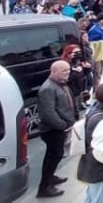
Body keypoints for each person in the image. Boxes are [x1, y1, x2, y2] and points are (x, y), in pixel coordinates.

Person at [36, 60, 77, 198]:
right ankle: (44, 187)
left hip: (60, 128)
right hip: (53, 131)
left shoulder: (60, 85)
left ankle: (50, 177)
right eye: (64, 71)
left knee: (53, 156)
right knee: (54, 155)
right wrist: (62, 126)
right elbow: (48, 113)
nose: (68, 73)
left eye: (68, 70)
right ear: (53, 72)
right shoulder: (48, 88)